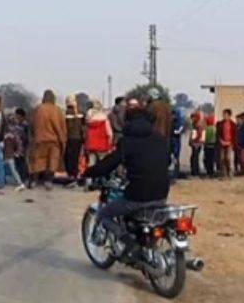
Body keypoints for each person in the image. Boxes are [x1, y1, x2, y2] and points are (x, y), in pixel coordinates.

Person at [82, 107, 170, 250]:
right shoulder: (160, 139)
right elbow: (167, 162)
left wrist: (88, 172)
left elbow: (108, 165)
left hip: (137, 196)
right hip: (161, 195)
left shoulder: (127, 142)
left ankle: (128, 241)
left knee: (104, 214)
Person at [30, 89, 67, 190]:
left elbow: (32, 125)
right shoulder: (57, 110)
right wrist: (63, 141)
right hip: (54, 141)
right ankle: (48, 181)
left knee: (38, 160)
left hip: (39, 139)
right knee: (52, 161)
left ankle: (34, 181)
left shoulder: (38, 109)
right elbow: (61, 127)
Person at [84, 100, 114, 168]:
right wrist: (110, 141)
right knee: (103, 163)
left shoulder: (88, 121)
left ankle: (90, 176)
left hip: (91, 144)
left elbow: (85, 133)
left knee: (91, 163)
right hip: (103, 144)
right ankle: (101, 177)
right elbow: (109, 133)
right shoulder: (104, 119)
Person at [2, 115, 27, 192]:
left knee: (8, 169)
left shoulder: (7, 132)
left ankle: (19, 183)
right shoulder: (17, 131)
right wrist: (17, 153)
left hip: (7, 154)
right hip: (10, 154)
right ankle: (20, 183)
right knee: (12, 169)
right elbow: (19, 143)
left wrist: (17, 152)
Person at [63, 98, 85, 186]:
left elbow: (65, 127)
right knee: (76, 157)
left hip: (69, 138)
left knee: (68, 157)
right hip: (78, 138)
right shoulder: (81, 112)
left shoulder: (66, 113)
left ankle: (71, 175)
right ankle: (76, 174)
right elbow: (83, 126)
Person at [12, 108, 32, 184]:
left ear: (22, 116)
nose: (16, 118)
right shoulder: (17, 124)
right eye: (16, 116)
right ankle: (20, 179)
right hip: (17, 148)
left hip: (23, 148)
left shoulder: (25, 125)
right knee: (18, 163)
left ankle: (24, 179)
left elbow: (27, 137)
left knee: (23, 164)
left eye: (18, 116)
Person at [215, 109, 236, 179]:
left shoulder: (233, 124)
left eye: (226, 115)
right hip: (222, 143)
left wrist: (232, 142)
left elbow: (235, 135)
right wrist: (220, 140)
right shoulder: (219, 124)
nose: (224, 116)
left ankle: (229, 171)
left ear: (229, 116)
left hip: (229, 143)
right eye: (223, 115)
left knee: (228, 158)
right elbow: (217, 134)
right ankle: (223, 174)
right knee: (221, 158)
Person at [188, 111, 205, 178]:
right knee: (193, 158)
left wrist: (198, 143)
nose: (192, 119)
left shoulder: (199, 125)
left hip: (197, 145)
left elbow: (201, 135)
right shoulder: (194, 124)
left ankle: (195, 173)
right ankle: (194, 172)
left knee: (195, 159)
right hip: (194, 144)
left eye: (193, 117)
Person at [202, 113, 218, 178]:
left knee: (207, 160)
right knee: (212, 160)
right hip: (213, 146)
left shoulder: (205, 129)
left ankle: (209, 172)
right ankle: (211, 172)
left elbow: (203, 139)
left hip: (207, 146)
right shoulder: (215, 129)